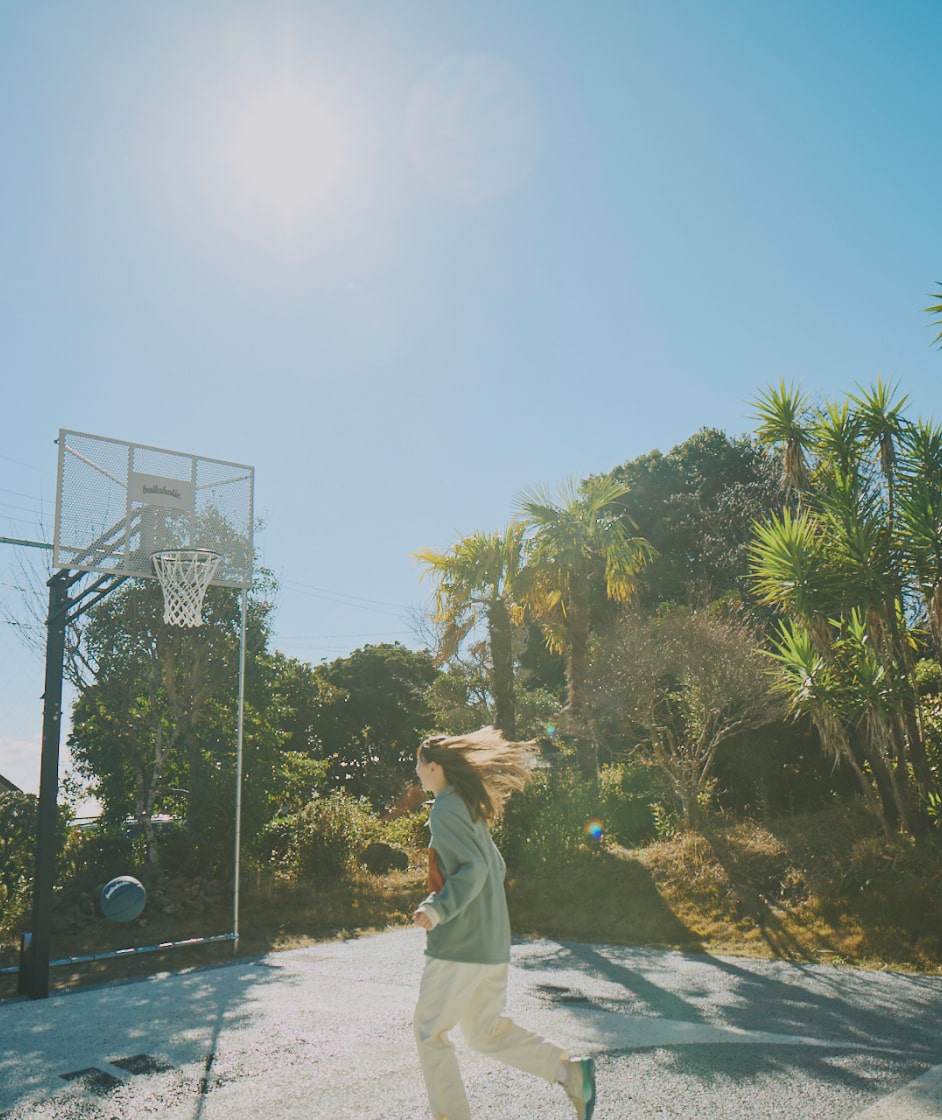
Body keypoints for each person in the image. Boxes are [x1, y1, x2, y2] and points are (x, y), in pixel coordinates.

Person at [412, 727, 597, 1120]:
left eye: (419, 765)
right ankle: (569, 1072)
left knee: (430, 1032)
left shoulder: (444, 810)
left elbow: (476, 869)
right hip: (491, 944)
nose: (417, 773)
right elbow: (494, 866)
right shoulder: (469, 807)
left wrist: (438, 908)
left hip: (459, 946)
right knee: (483, 1033)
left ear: (434, 767)